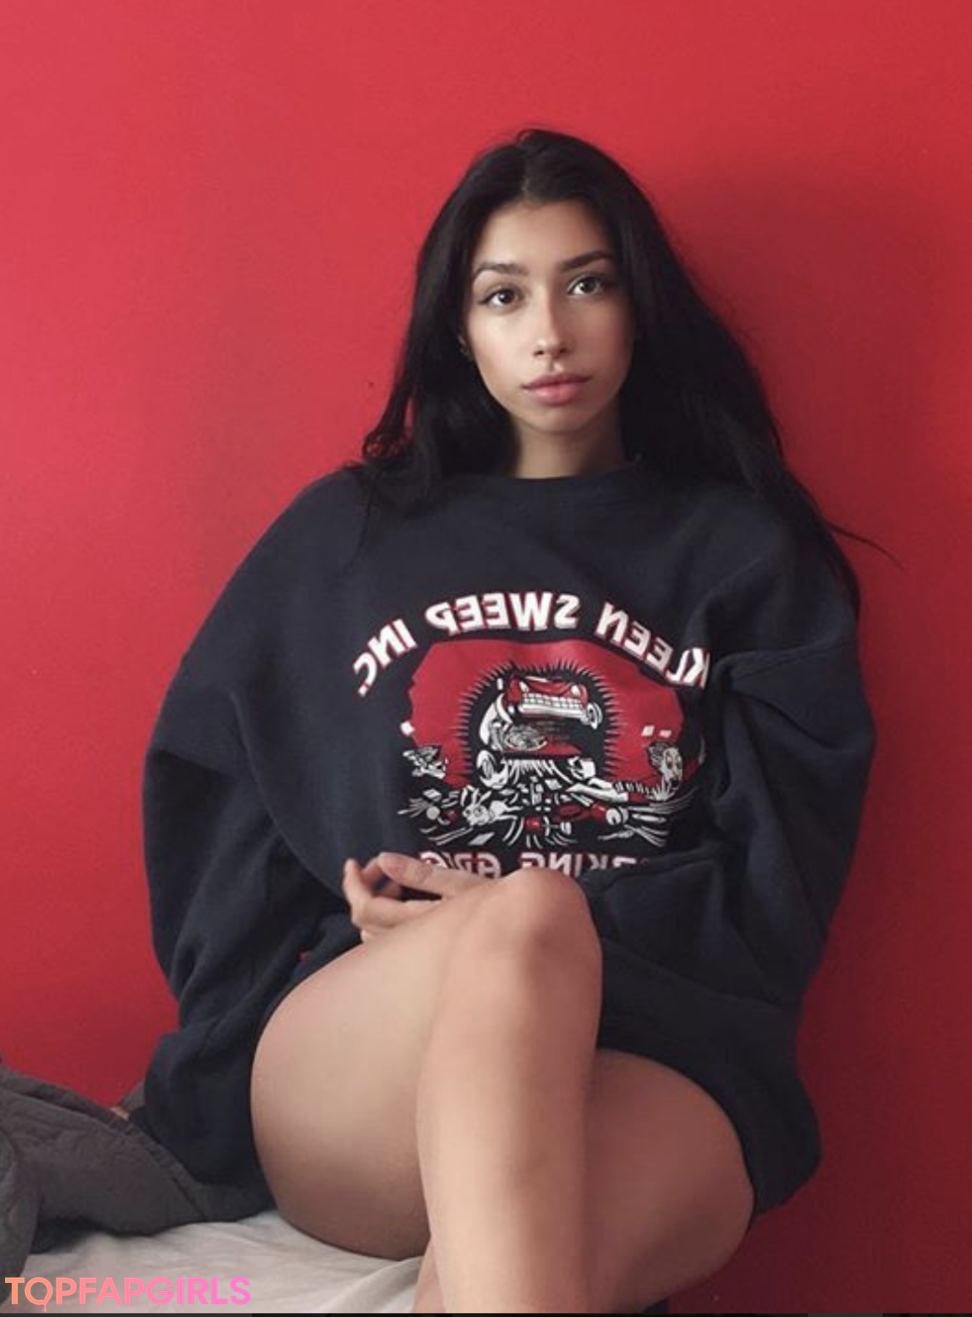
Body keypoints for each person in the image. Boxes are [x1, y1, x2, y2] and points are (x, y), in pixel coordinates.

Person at [126, 128, 876, 1313]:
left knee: (522, 1271)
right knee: (528, 920)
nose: (549, 333)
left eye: (587, 283)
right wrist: (302, 978)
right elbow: (210, 800)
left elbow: (775, 898)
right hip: (370, 1054)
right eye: (503, 295)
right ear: (458, 327)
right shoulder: (346, 538)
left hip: (657, 1052)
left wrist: (534, 922)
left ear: (639, 305)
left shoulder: (745, 559)